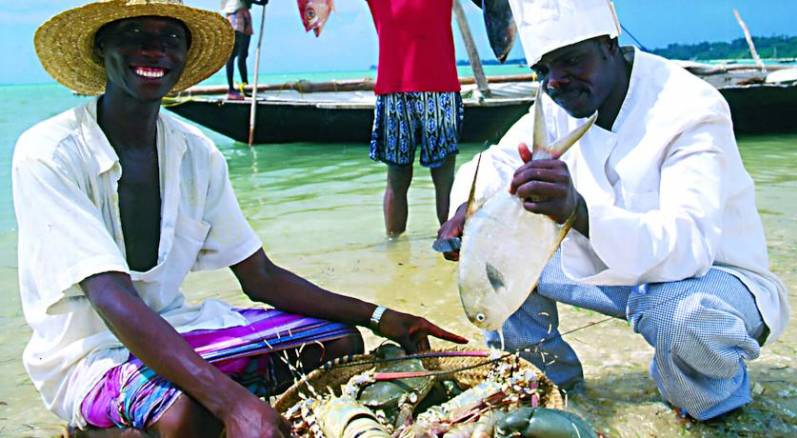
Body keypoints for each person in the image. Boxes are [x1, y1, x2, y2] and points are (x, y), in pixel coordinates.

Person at [17, 1, 467, 436]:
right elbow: (110, 296)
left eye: (169, 38)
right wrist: (233, 405)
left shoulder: (195, 152)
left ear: (184, 56)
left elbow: (260, 275)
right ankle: (102, 429)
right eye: (134, 36)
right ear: (101, 48)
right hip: (91, 354)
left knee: (339, 345)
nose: (154, 51)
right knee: (184, 417)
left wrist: (381, 315)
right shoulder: (51, 153)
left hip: (179, 332)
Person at [437, 0, 789, 421]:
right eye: (542, 70)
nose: (555, 82)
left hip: (713, 282)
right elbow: (497, 162)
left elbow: (687, 245)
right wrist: (468, 212)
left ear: (609, 45)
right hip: (622, 276)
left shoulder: (691, 107)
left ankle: (713, 408)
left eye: (570, 61)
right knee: (496, 254)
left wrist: (578, 212)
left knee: (678, 316)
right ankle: (548, 385)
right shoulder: (557, 100)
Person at [366, 0, 464, 238]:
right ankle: (396, 249)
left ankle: (452, 246)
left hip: (439, 90)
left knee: (444, 179)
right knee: (398, 178)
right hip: (395, 92)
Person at [221, 0, 268, 100]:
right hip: (235, 16)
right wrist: (259, 2)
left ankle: (244, 87)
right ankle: (231, 89)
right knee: (232, 55)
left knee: (243, 55)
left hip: (244, 15)